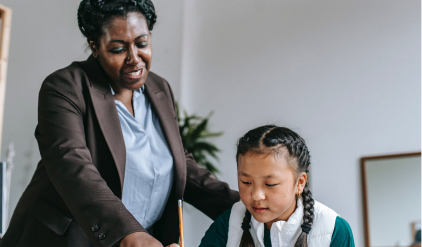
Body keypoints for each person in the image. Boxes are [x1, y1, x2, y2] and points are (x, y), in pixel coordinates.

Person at [0, 1, 239, 246]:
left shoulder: (159, 89)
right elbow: (73, 168)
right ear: (95, 46)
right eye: (118, 49)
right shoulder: (65, 88)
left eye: (142, 43)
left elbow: (179, 163)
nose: (135, 59)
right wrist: (130, 234)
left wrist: (247, 209)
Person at [198, 125, 355, 247]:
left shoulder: (333, 229)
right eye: (246, 182)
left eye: (270, 184)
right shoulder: (229, 222)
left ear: (300, 183)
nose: (256, 195)